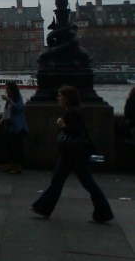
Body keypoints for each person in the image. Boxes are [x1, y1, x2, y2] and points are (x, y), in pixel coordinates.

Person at [31, 86, 113, 223]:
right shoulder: (73, 111)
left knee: (85, 183)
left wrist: (62, 125)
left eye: (60, 96)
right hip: (72, 153)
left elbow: (76, 131)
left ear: (67, 98)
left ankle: (104, 212)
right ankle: (43, 208)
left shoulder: (73, 112)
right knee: (59, 181)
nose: (58, 98)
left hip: (74, 154)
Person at [0, 81, 28, 174]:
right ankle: (11, 163)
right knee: (8, 145)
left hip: (18, 126)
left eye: (8, 89)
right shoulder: (10, 99)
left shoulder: (18, 98)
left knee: (17, 147)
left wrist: (9, 100)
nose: (7, 91)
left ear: (12, 89)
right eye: (6, 89)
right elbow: (7, 111)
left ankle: (18, 166)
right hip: (9, 126)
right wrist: (2, 119)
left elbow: (18, 108)